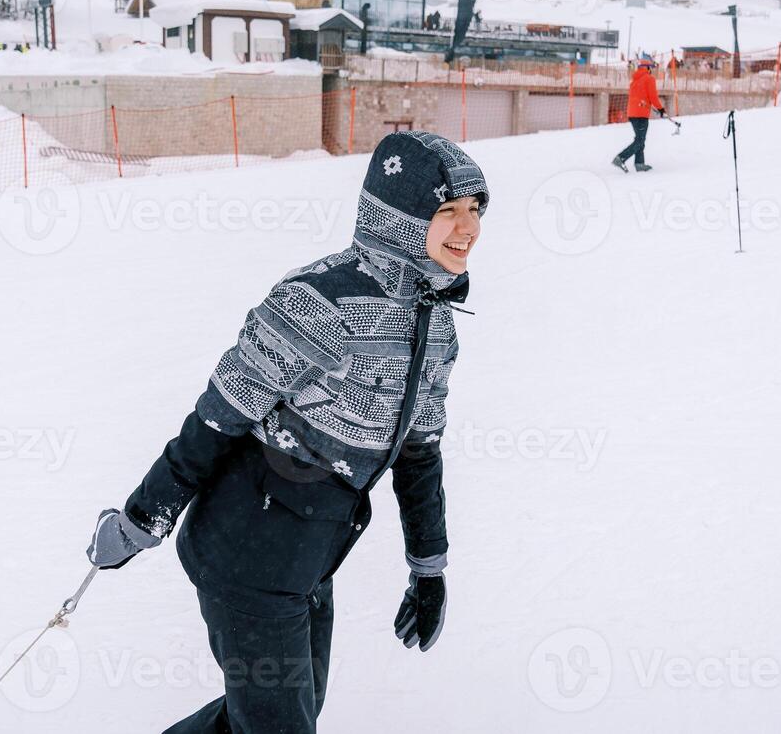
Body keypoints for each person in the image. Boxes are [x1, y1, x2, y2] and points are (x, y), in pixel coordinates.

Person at [86, 131, 488, 734]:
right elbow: (217, 418)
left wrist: (428, 571)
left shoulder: (432, 324)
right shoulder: (317, 303)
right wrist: (140, 519)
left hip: (310, 558)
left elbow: (418, 455)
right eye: (447, 211)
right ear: (401, 218)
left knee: (279, 715)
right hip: (245, 553)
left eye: (475, 210)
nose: (468, 228)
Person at [613, 58, 667, 172]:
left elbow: (641, 97)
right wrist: (661, 109)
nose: (651, 70)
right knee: (640, 140)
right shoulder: (649, 79)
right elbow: (653, 97)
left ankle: (639, 163)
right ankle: (621, 158)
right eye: (650, 68)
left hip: (632, 113)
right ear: (647, 68)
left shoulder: (634, 81)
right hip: (641, 114)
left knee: (639, 139)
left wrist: (649, 105)